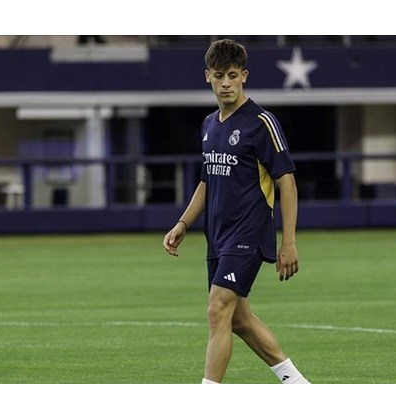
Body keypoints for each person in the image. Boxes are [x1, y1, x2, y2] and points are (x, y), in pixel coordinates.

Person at [163, 39, 310, 384]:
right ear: (208, 77)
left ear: (244, 76)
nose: (226, 83)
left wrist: (288, 241)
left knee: (217, 310)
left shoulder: (261, 123)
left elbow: (286, 181)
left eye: (232, 75)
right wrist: (183, 222)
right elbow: (207, 180)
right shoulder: (209, 125)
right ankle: (297, 384)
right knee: (239, 320)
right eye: (219, 76)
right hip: (218, 237)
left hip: (249, 234)